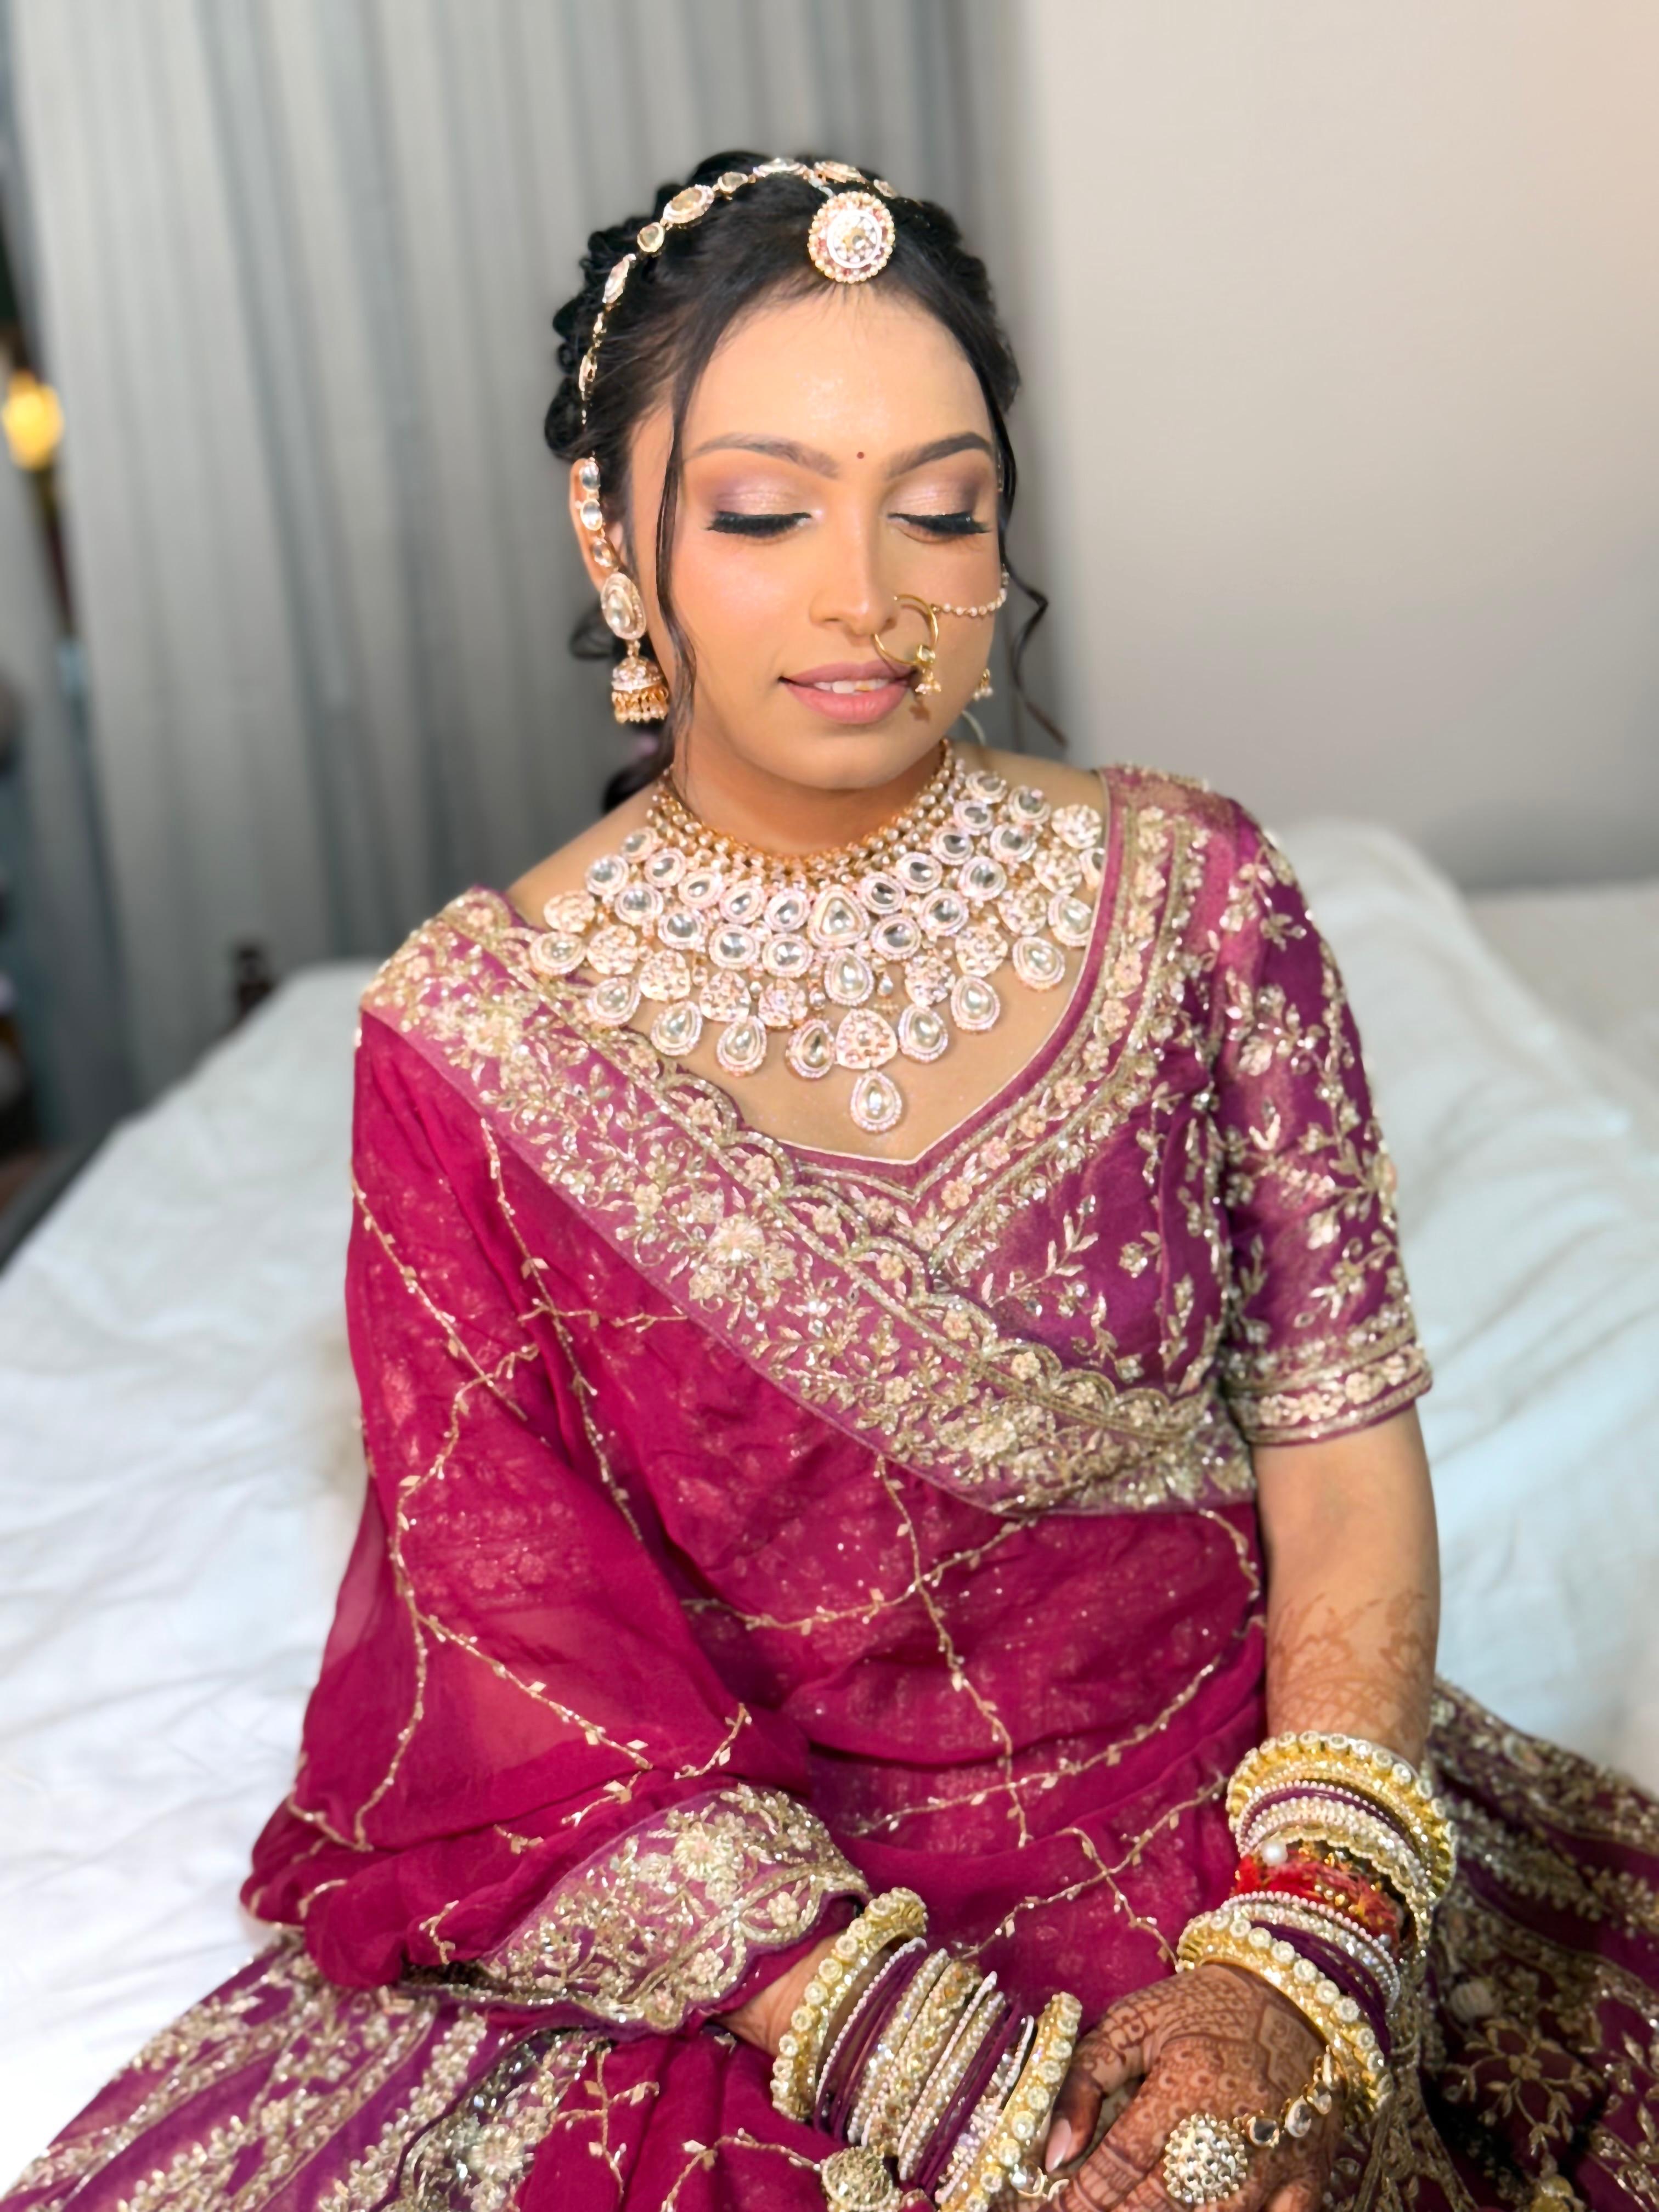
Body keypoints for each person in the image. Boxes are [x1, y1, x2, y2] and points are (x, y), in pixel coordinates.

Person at [8, 150, 1656, 2212]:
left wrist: (1307, 1955)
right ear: (614, 536)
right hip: (769, 1951)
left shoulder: (1200, 900)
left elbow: (1336, 1447)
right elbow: (527, 1664)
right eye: (765, 511)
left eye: (940, 509)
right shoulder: (475, 1050)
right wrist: (957, 2085)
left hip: (1247, 1831)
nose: (866, 592)